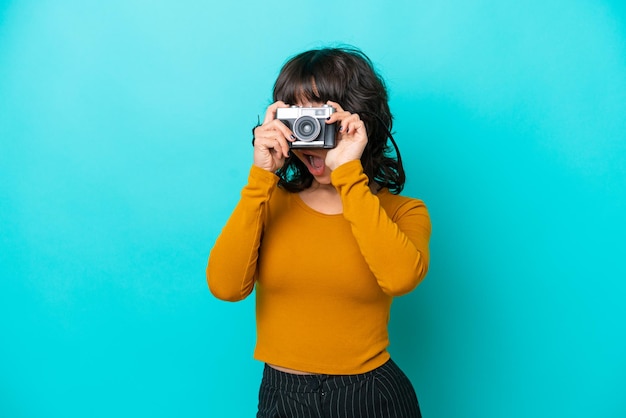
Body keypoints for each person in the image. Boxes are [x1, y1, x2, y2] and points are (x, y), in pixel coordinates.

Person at [207, 46, 431, 418]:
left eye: (323, 119)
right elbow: (226, 287)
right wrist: (261, 177)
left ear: (359, 122)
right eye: (300, 119)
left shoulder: (402, 212)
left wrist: (347, 173)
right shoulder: (267, 202)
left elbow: (400, 278)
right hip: (282, 395)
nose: (313, 137)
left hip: (370, 396)